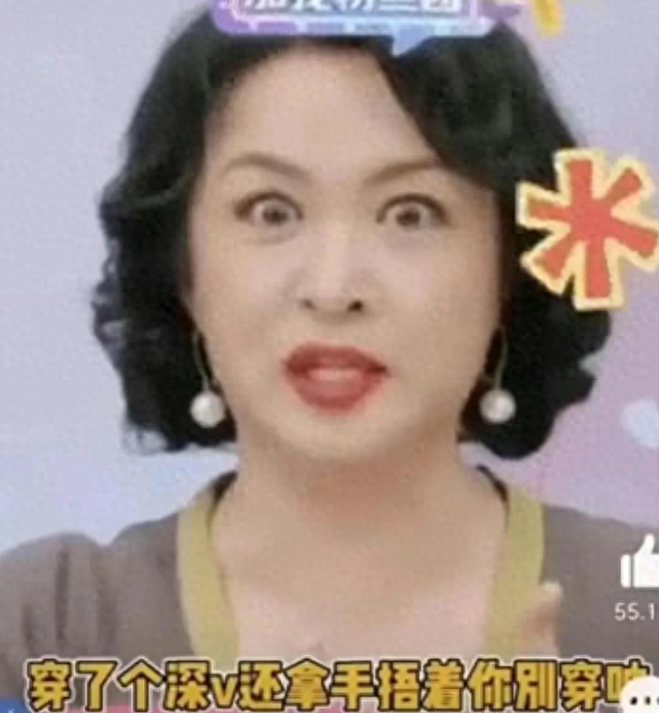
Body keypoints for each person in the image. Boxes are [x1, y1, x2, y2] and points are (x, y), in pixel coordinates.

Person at [1, 6, 657, 707]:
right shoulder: (47, 625)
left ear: (512, 266)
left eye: (410, 212)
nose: (333, 288)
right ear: (183, 270)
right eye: (271, 211)